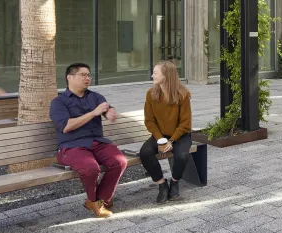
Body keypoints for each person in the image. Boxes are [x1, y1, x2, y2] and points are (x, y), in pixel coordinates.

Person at [49, 63, 127, 218]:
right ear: (69, 77)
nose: (87, 78)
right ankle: (94, 200)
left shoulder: (95, 97)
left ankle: (102, 199)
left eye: (89, 75)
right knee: (91, 168)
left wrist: (110, 112)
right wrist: (93, 113)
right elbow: (66, 126)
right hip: (71, 146)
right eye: (82, 75)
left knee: (120, 161)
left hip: (97, 142)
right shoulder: (59, 102)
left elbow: (107, 109)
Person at [140, 61, 193, 203]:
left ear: (166, 75)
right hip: (160, 136)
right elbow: (149, 121)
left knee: (182, 155)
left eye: (155, 73)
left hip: (180, 135)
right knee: (145, 152)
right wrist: (160, 139)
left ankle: (174, 182)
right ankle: (162, 184)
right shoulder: (151, 94)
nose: (152, 75)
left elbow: (185, 123)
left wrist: (172, 141)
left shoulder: (182, 94)